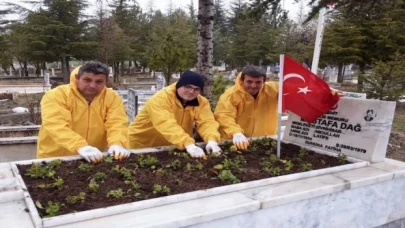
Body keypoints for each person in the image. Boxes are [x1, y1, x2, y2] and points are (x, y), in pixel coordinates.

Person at [37, 61, 129, 163]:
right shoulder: (57, 95)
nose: (92, 85)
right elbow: (55, 124)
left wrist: (117, 143)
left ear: (106, 82)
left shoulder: (112, 97)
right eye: (87, 80)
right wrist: (80, 146)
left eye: (99, 82)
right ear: (77, 78)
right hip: (56, 157)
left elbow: (117, 123)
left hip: (93, 157)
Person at [128, 71, 222, 158]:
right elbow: (165, 123)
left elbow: (207, 122)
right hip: (142, 146)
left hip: (172, 146)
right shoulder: (160, 99)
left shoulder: (201, 102)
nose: (191, 91)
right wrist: (187, 143)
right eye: (188, 87)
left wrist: (212, 140)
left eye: (196, 89)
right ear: (179, 85)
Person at [214, 66, 278, 150]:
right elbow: (224, 116)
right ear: (242, 80)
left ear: (264, 82)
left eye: (258, 82)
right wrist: (236, 133)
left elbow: (294, 90)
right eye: (249, 82)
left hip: (264, 140)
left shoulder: (274, 90)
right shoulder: (231, 95)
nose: (253, 85)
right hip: (236, 141)